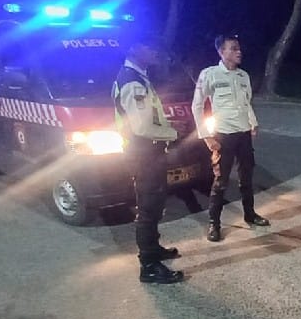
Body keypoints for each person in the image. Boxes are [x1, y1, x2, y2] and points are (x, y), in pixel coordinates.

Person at [112, 34, 184, 284]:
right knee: (148, 208)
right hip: (143, 153)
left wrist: (167, 126)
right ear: (135, 48)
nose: (155, 51)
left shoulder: (138, 77)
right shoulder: (132, 82)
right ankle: (149, 266)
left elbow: (147, 118)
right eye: (149, 46)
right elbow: (141, 127)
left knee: (154, 204)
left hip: (148, 152)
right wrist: (173, 133)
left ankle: (154, 249)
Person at [191, 34, 270, 243]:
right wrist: (206, 137)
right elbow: (197, 106)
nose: (239, 52)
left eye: (239, 48)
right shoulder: (210, 74)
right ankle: (214, 224)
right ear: (221, 52)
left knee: (247, 178)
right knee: (221, 181)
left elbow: (246, 102)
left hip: (244, 135)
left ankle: (250, 214)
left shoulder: (243, 76)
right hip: (223, 135)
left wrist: (253, 123)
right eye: (233, 48)